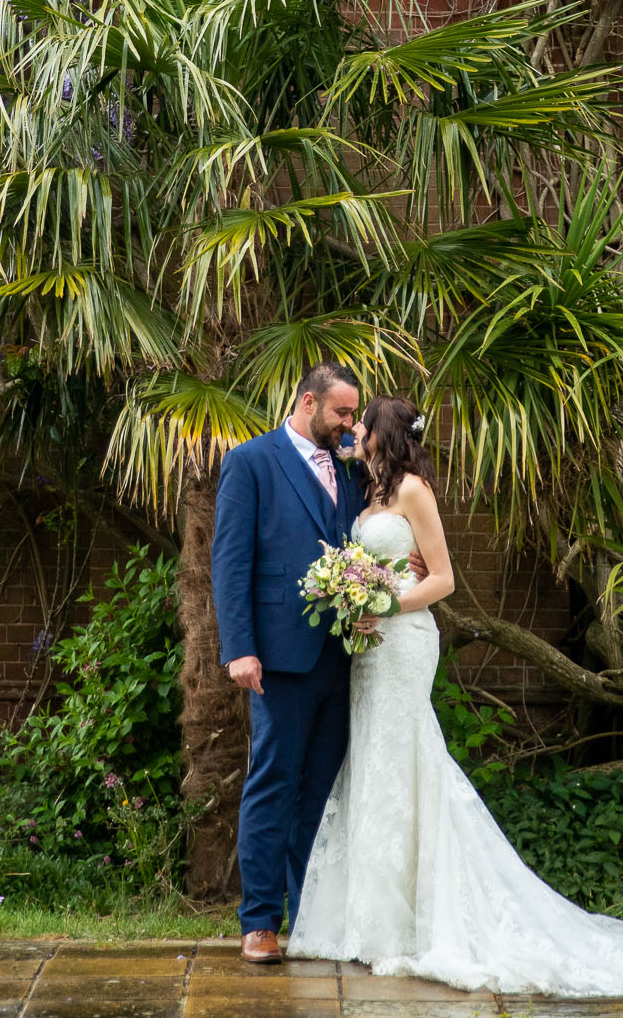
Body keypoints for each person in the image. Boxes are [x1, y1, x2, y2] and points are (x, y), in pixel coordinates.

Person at [287, 395, 623, 999]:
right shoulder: (368, 496)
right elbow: (378, 563)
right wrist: (357, 598)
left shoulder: (414, 490)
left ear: (384, 434)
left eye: (362, 423)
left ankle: (418, 921)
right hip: (371, 650)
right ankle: (375, 920)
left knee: (407, 759)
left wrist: (387, 602)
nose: (353, 430)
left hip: (407, 641)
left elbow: (441, 579)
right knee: (375, 763)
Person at [210, 362, 369, 964]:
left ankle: (311, 916)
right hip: (278, 655)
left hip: (344, 654)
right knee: (274, 784)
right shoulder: (251, 462)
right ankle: (259, 922)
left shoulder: (352, 467)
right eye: (342, 413)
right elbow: (230, 562)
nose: (349, 423)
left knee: (323, 792)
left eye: (354, 414)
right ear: (308, 403)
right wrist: (239, 648)